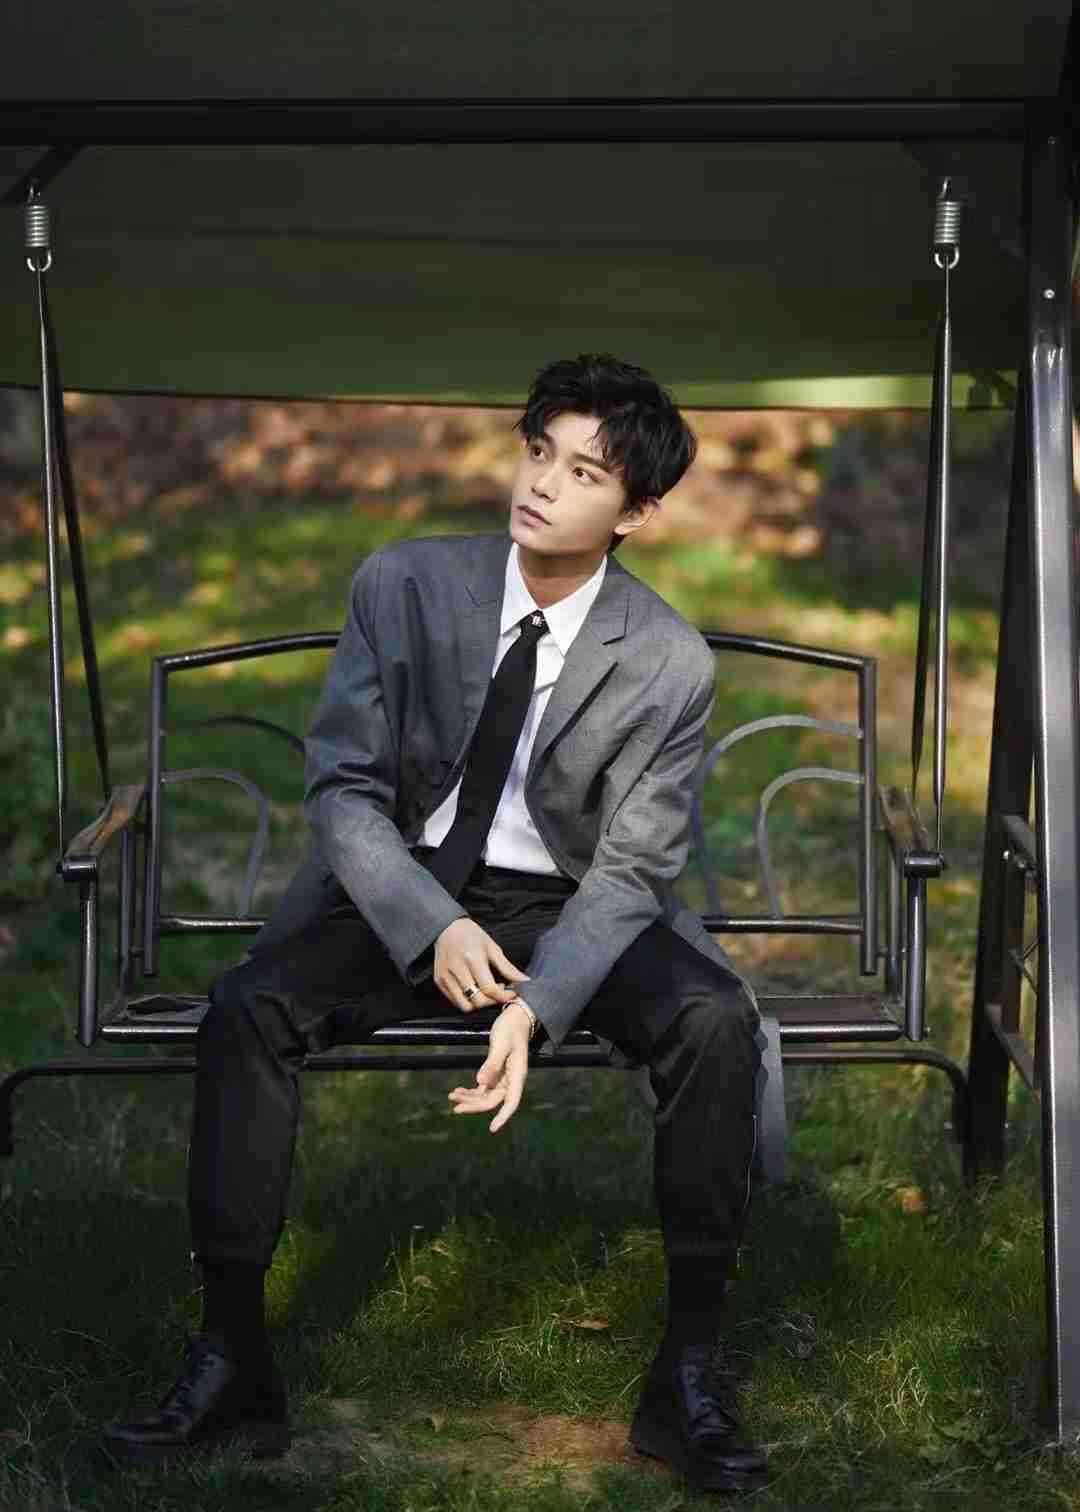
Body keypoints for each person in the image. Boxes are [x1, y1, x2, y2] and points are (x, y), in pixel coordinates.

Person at [103, 353, 767, 1495]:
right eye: (539, 454)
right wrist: (433, 927)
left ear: (638, 514)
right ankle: (230, 1355)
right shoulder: (404, 584)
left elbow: (630, 870)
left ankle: (688, 1375)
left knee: (712, 1018)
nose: (543, 485)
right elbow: (343, 791)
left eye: (586, 473)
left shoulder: (669, 661)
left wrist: (539, 1006)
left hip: (568, 903)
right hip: (403, 887)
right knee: (248, 1009)